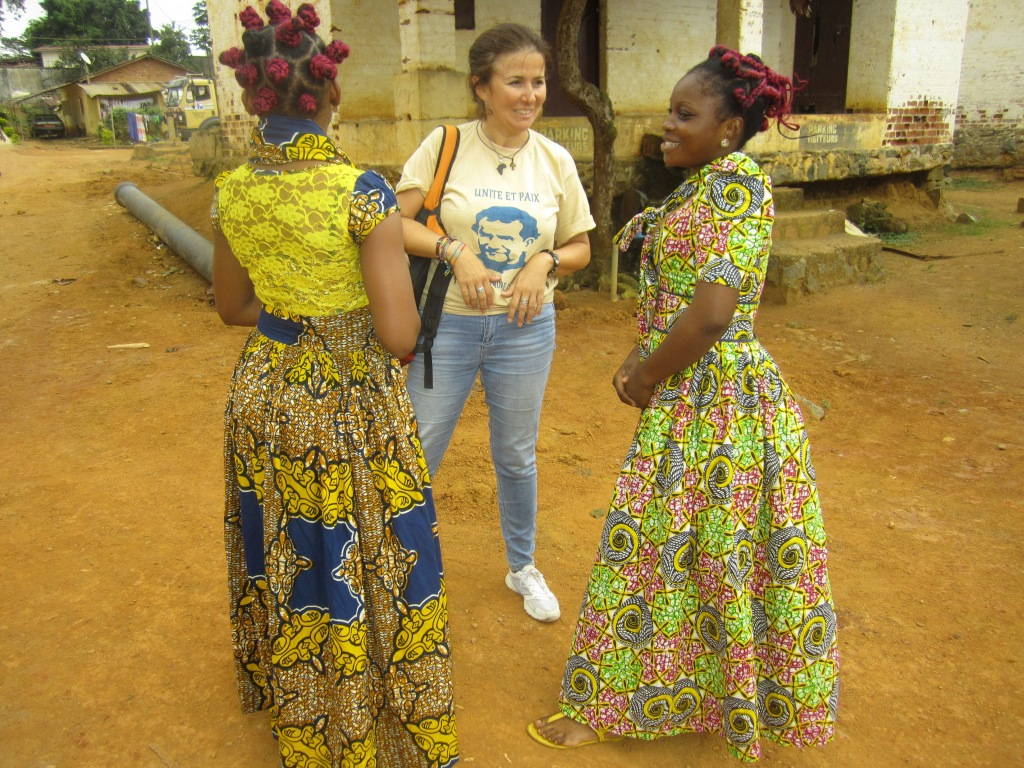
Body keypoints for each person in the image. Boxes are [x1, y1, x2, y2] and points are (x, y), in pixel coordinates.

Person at [529, 47, 839, 761]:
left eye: (685, 114)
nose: (667, 124)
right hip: (698, 391)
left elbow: (712, 315)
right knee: (690, 551)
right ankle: (675, 697)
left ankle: (607, 708)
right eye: (670, 110)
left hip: (718, 403)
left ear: (728, 128)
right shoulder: (707, 187)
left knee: (657, 548)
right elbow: (682, 306)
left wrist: (646, 376)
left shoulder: (735, 190)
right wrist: (641, 357)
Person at [211, 3, 458, 766]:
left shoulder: (230, 191)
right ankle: (370, 703)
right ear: (331, 93)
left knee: (289, 538)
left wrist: (295, 311)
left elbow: (232, 308)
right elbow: (399, 335)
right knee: (371, 541)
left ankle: (300, 695)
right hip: (348, 396)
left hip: (267, 387)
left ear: (254, 98)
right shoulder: (362, 192)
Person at [396, 23, 595, 623]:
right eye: (515, 82)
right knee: (418, 448)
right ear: (482, 87)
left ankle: (522, 566)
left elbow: (581, 246)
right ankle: (396, 566)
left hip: (525, 331)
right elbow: (394, 224)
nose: (530, 95)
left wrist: (545, 261)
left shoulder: (554, 159)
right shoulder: (446, 144)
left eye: (539, 81)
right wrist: (453, 250)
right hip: (447, 328)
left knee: (516, 454)